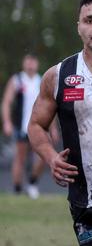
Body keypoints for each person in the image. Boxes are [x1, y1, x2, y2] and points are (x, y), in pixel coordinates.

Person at [28, 0, 92, 246]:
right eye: (89, 20)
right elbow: (36, 125)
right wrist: (51, 157)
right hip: (83, 195)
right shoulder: (58, 75)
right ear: (79, 27)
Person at [2, 53, 55, 199]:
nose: (31, 64)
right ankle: (18, 188)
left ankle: (32, 183)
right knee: (20, 157)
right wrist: (7, 122)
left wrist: (54, 128)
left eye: (33, 61)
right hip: (21, 126)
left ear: (37, 64)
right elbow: (7, 102)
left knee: (43, 156)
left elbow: (50, 106)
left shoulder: (41, 80)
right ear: (24, 63)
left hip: (40, 126)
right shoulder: (17, 80)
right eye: (28, 61)